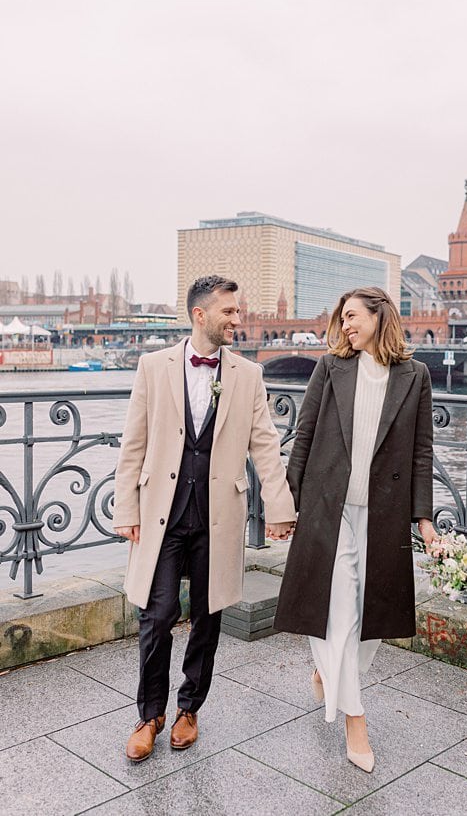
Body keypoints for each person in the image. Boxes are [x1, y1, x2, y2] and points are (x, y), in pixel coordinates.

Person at [113, 275, 296, 762]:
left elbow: (265, 445)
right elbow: (133, 443)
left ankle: (189, 709)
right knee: (156, 615)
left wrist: (280, 507)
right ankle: (149, 715)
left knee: (208, 616)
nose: (238, 320)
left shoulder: (248, 375)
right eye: (229, 312)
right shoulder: (153, 366)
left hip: (220, 515)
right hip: (162, 515)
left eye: (239, 312)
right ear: (200, 314)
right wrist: (125, 508)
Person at [273, 286, 435, 773]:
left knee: (370, 623)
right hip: (330, 509)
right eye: (342, 318)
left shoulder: (416, 376)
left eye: (353, 316)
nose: (345, 325)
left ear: (379, 316)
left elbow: (422, 451)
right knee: (339, 610)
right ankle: (356, 722)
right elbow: (303, 437)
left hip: (382, 515)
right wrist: (286, 504)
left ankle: (328, 671)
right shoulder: (331, 368)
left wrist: (424, 520)